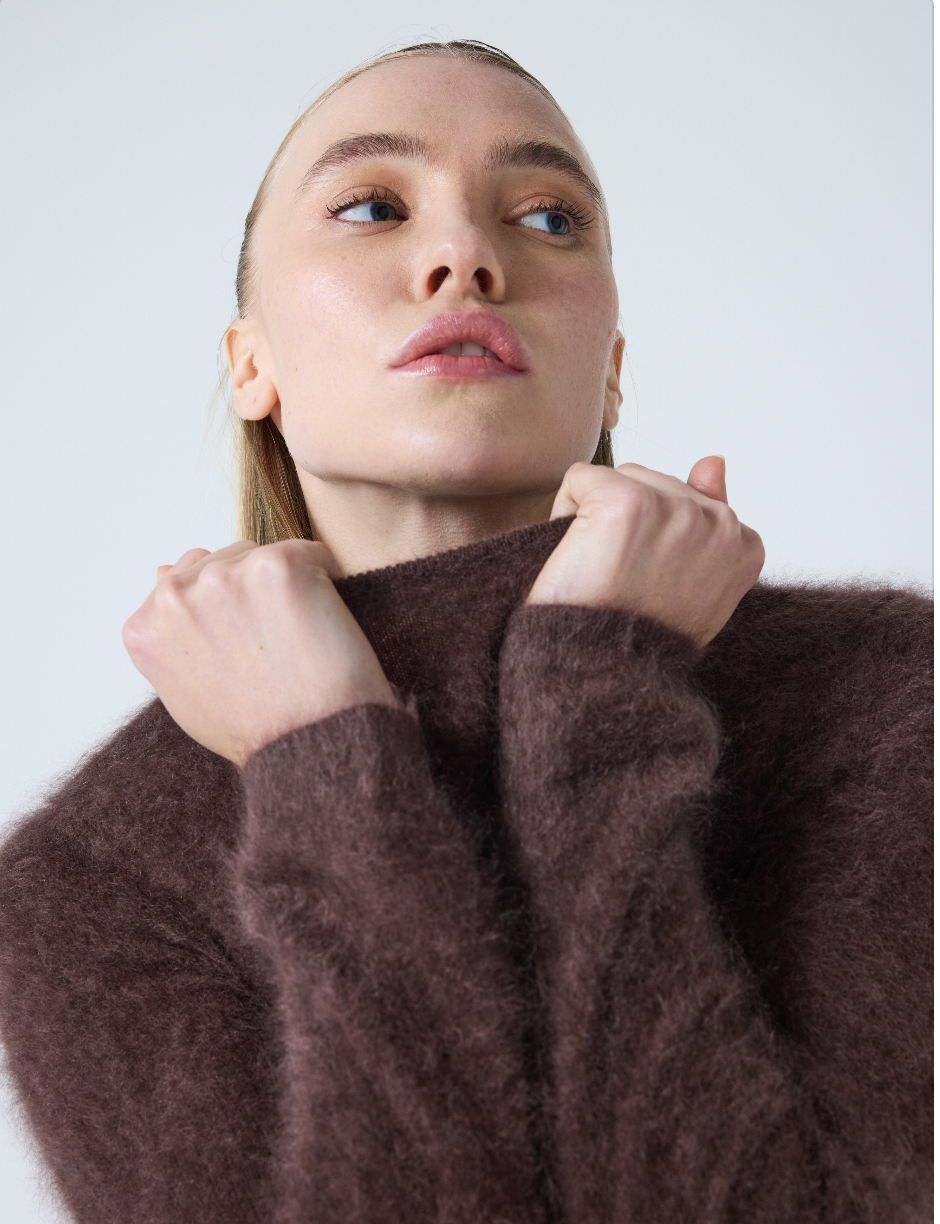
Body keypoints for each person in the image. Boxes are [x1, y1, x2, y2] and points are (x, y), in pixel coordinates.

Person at [0, 40, 930, 1224]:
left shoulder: (881, 694)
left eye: (547, 218)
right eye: (373, 206)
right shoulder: (93, 877)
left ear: (612, 381)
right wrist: (322, 766)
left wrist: (600, 693)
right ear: (251, 364)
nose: (465, 257)